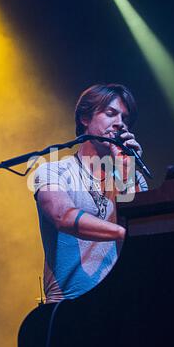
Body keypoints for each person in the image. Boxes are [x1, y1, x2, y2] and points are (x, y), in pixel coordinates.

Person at [33, 83, 148, 303]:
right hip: (69, 306)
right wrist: (122, 233)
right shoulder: (54, 170)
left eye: (124, 119)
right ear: (85, 118)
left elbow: (142, 225)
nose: (119, 124)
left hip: (123, 301)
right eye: (111, 113)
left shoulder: (132, 176)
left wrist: (126, 171)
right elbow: (62, 217)